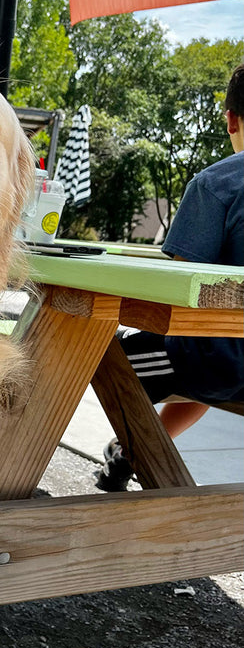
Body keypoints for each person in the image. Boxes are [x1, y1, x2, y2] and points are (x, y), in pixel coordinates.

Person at [98, 63, 244, 491]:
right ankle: (132, 451)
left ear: (231, 118)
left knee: (92, 355)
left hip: (224, 364)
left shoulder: (218, 184)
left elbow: (174, 295)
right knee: (209, 347)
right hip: (227, 358)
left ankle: (134, 451)